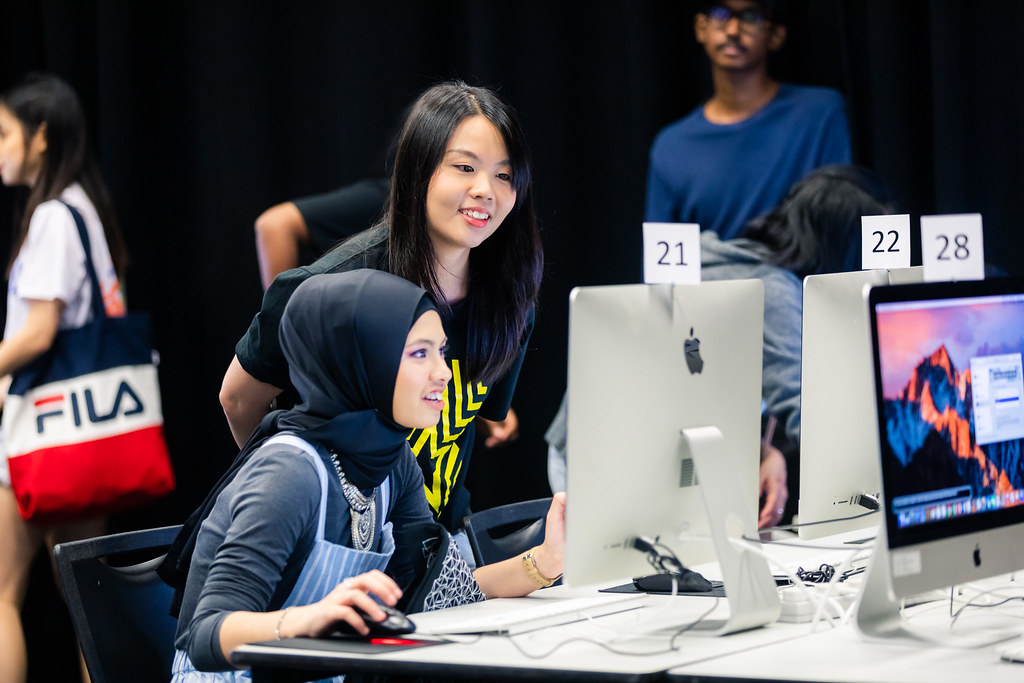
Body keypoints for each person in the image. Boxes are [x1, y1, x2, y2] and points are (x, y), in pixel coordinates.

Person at [172, 270, 565, 681]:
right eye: (419, 354)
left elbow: (441, 591)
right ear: (360, 361)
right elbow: (205, 636)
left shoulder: (392, 459)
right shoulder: (290, 474)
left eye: (441, 351)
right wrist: (306, 620)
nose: (444, 372)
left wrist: (545, 561)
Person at [219, 80, 543, 556]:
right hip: (340, 557)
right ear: (418, 171)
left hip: (438, 549)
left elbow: (473, 423)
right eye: (465, 168)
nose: (485, 191)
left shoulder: (510, 299)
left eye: (504, 175)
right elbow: (237, 400)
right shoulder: (327, 290)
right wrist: (303, 498)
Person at [547, 164, 896, 529]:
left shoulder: (716, 259)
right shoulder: (773, 290)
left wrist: (762, 450)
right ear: (840, 245)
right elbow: (804, 412)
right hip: (613, 459)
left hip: (593, 442)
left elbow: (694, 389)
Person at [0, 73, 129, 683]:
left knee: (1, 592)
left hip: (41, 427)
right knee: (82, 590)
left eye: (4, 133)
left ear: (42, 136)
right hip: (87, 426)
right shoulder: (84, 206)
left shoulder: (53, 215)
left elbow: (38, 333)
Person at [645, 0, 852, 241]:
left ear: (776, 35)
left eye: (751, 16)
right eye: (720, 14)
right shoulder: (672, 144)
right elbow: (663, 267)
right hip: (713, 277)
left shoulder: (820, 114)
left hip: (798, 275)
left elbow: (840, 225)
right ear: (701, 28)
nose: (733, 30)